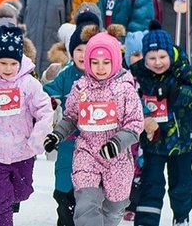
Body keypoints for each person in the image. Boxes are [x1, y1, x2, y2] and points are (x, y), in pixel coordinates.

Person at [45, 33, 144, 226]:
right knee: (86, 203)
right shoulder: (81, 88)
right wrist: (57, 135)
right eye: (95, 62)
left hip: (116, 158)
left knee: (114, 208)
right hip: (87, 152)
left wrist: (116, 143)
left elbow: (134, 124)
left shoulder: (125, 89)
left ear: (115, 61)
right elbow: (71, 117)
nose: (100, 68)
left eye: (106, 62)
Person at [0, 25, 53, 226]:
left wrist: (38, 137)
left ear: (20, 62)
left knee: (23, 192)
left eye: (13, 63)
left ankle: (7, 200)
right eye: (2, 62)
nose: (7, 68)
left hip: (22, 151)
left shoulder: (28, 84)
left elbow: (44, 109)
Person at [130, 26, 192, 226]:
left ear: (170, 54)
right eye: (152, 58)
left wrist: (177, 93)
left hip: (180, 140)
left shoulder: (182, 70)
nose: (157, 63)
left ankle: (181, 216)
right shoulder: (139, 73)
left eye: (162, 57)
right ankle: (146, 220)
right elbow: (127, 91)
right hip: (152, 140)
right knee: (151, 182)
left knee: (181, 182)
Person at [44, 13, 107, 226]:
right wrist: (50, 100)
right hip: (69, 143)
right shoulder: (66, 75)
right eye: (79, 49)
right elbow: (48, 93)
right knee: (64, 189)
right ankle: (65, 219)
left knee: (90, 192)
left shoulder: (105, 76)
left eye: (88, 50)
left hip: (96, 146)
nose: (83, 55)